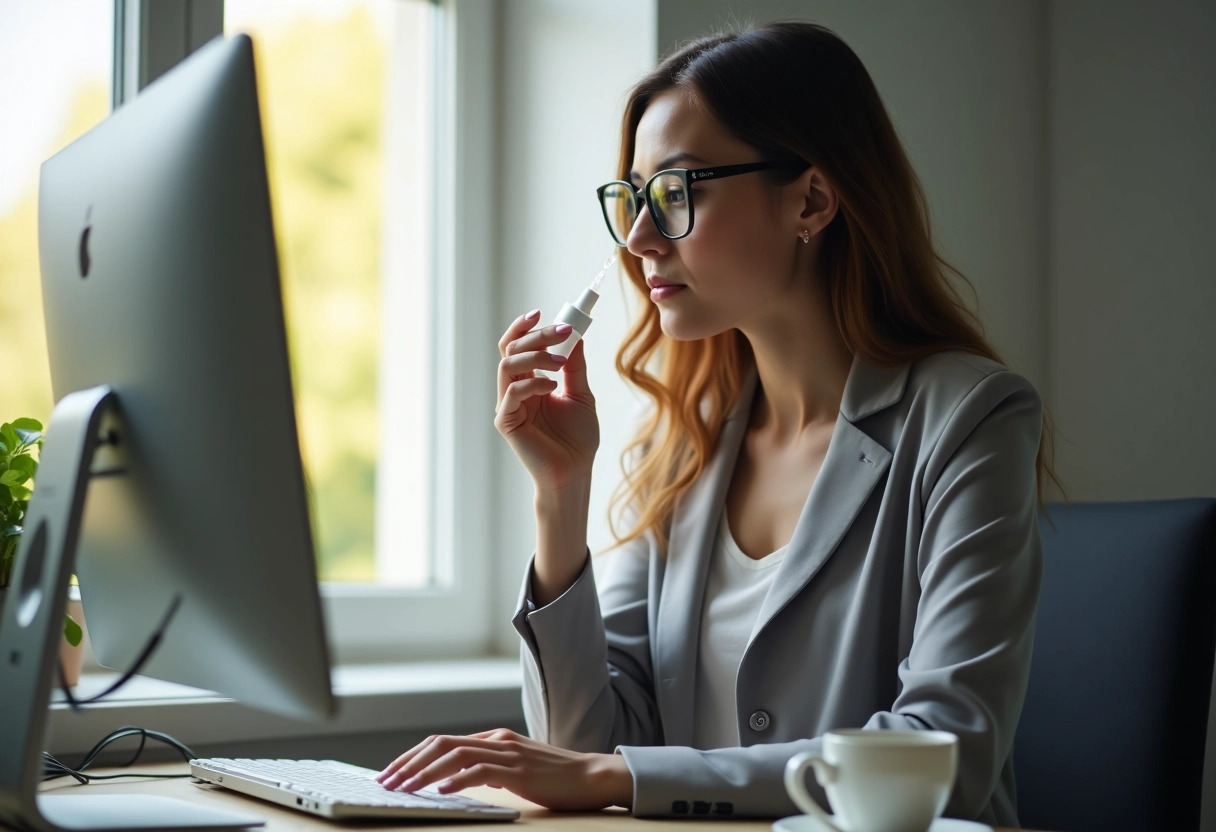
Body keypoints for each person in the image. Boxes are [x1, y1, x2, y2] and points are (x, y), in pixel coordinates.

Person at [375, 21, 1055, 827]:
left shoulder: (969, 420)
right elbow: (584, 745)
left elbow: (947, 752)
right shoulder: (689, 443)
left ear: (810, 199)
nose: (636, 239)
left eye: (675, 192)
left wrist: (619, 780)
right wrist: (560, 496)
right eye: (632, 197)